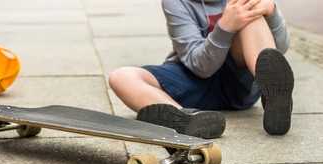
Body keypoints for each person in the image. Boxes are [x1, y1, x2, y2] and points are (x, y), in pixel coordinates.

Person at [108, 0, 294, 138]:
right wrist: (225, 27)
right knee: (121, 77)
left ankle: (274, 96)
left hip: (238, 81)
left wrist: (272, 13)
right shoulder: (176, 2)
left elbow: (279, 50)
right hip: (193, 76)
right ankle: (186, 119)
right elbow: (200, 68)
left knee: (252, 17)